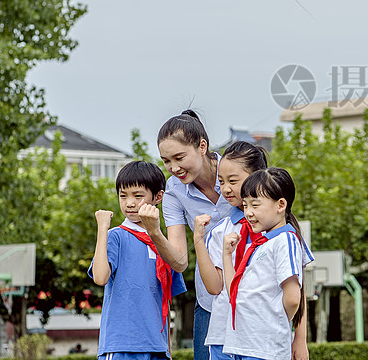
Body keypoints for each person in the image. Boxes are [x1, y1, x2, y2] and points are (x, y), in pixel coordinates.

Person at [194, 143, 313, 360]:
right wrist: (199, 241)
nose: (226, 188)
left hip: (263, 340)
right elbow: (215, 287)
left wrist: (299, 337)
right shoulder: (222, 231)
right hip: (225, 335)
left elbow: (296, 288)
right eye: (221, 181)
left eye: (233, 180)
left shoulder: (284, 235)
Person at [152, 110, 232, 360]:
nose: (173, 168)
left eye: (179, 157)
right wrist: (154, 232)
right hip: (210, 301)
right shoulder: (174, 192)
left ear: (202, 146)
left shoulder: (236, 170)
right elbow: (180, 261)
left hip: (252, 297)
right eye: (166, 161)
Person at [89, 161, 186, 360]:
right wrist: (102, 229)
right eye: (123, 196)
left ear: (158, 196)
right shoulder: (116, 236)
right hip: (122, 345)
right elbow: (100, 277)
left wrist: (167, 349)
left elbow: (165, 302)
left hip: (157, 348)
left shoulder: (164, 246)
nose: (129, 203)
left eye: (138, 196)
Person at [221, 167, 312, 360]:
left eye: (255, 205)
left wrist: (273, 322)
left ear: (280, 205)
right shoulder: (261, 244)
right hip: (244, 346)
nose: (248, 212)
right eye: (245, 205)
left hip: (265, 348)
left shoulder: (286, 240)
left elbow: (293, 297)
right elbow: (234, 294)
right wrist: (227, 256)